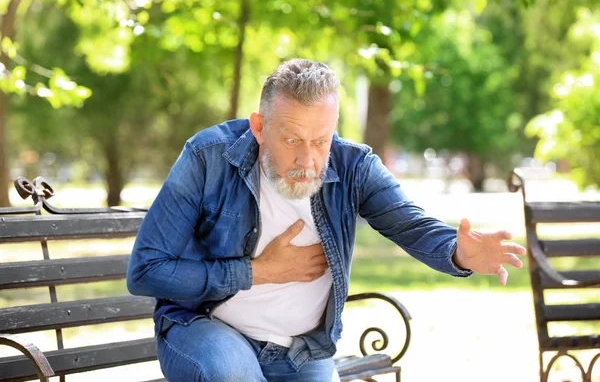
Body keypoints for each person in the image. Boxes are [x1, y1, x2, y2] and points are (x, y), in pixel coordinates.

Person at [126, 58, 526, 382]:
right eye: (292, 140)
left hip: (304, 349)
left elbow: (411, 223)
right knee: (234, 373)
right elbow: (145, 270)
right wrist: (255, 272)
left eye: (321, 141)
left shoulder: (355, 167)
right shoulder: (207, 157)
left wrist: (458, 252)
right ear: (259, 127)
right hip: (206, 329)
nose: (308, 160)